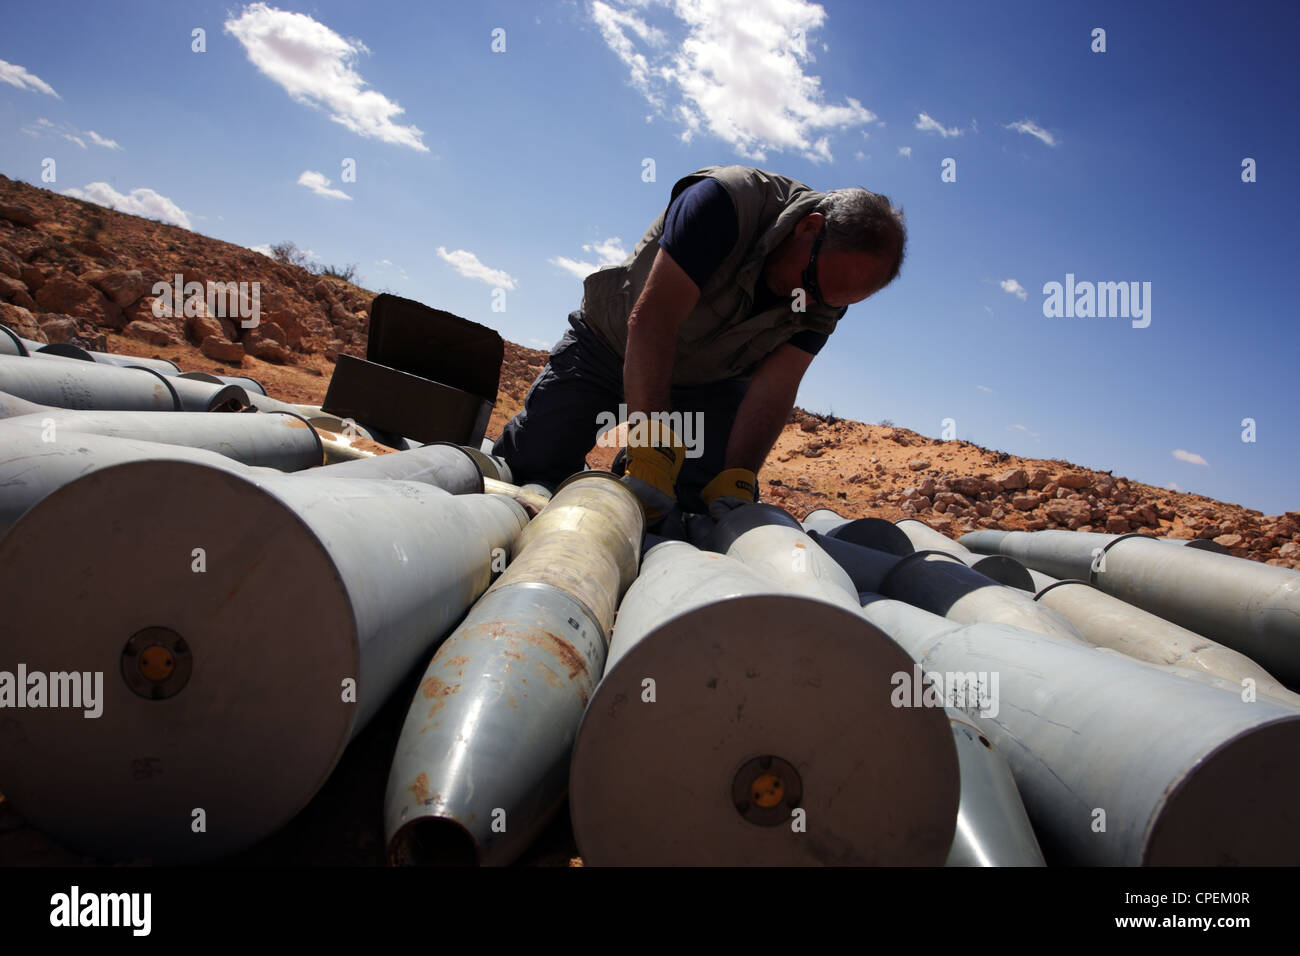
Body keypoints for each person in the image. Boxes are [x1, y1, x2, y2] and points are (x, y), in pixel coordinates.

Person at [493, 164, 906, 524]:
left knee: (702, 509)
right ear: (808, 227)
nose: (811, 302)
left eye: (831, 301)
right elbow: (654, 321)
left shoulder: (828, 292)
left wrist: (738, 475)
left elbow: (776, 386)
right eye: (811, 285)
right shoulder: (725, 202)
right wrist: (651, 443)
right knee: (529, 470)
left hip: (706, 385)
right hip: (610, 348)